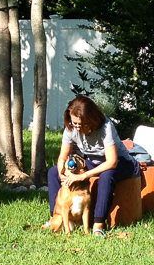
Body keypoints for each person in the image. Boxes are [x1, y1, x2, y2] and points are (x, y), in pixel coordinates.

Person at [48, 96, 140, 237]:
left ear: (91, 120)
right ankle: (56, 217)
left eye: (80, 124)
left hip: (121, 162)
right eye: (74, 123)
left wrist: (83, 176)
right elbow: (63, 157)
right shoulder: (71, 128)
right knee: (53, 172)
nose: (76, 127)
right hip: (93, 162)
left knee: (107, 176)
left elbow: (112, 162)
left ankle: (98, 225)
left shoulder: (106, 127)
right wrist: (62, 173)